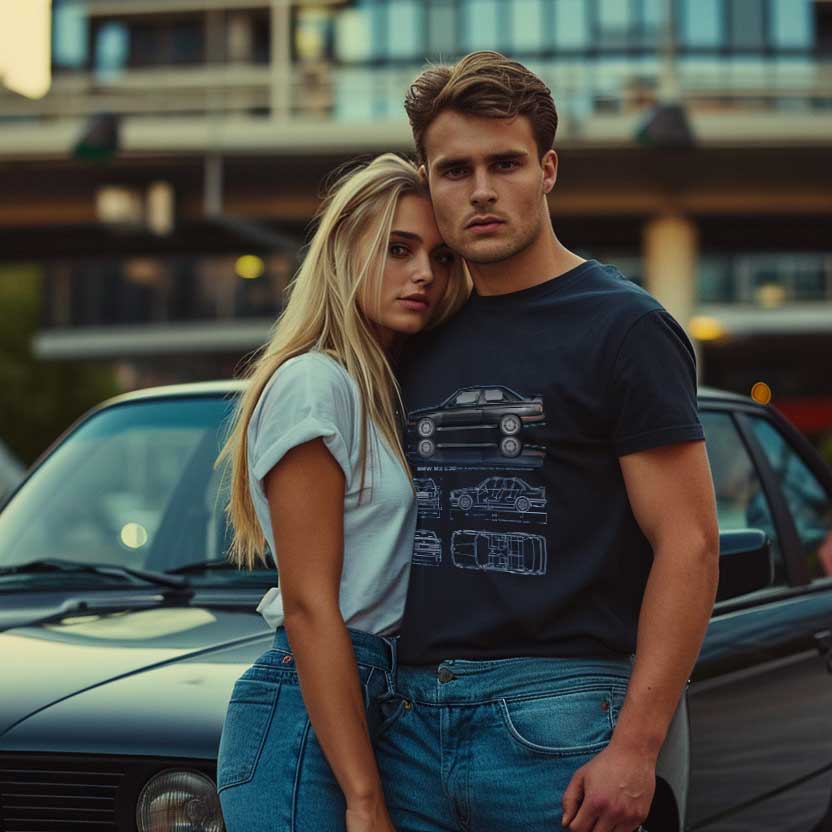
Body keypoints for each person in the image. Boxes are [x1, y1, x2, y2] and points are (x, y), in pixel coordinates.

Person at [374, 52, 720, 832]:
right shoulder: (415, 332)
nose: (482, 190)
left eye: (506, 163)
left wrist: (636, 747)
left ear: (549, 169)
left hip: (557, 721)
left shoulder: (624, 326)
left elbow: (691, 544)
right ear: (429, 182)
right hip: (407, 719)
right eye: (454, 170)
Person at [214, 153, 468, 832]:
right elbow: (307, 608)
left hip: (365, 700)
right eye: (398, 248)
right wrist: (363, 795)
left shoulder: (376, 393)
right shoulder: (314, 384)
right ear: (343, 252)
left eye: (441, 258)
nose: (424, 274)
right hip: (306, 717)